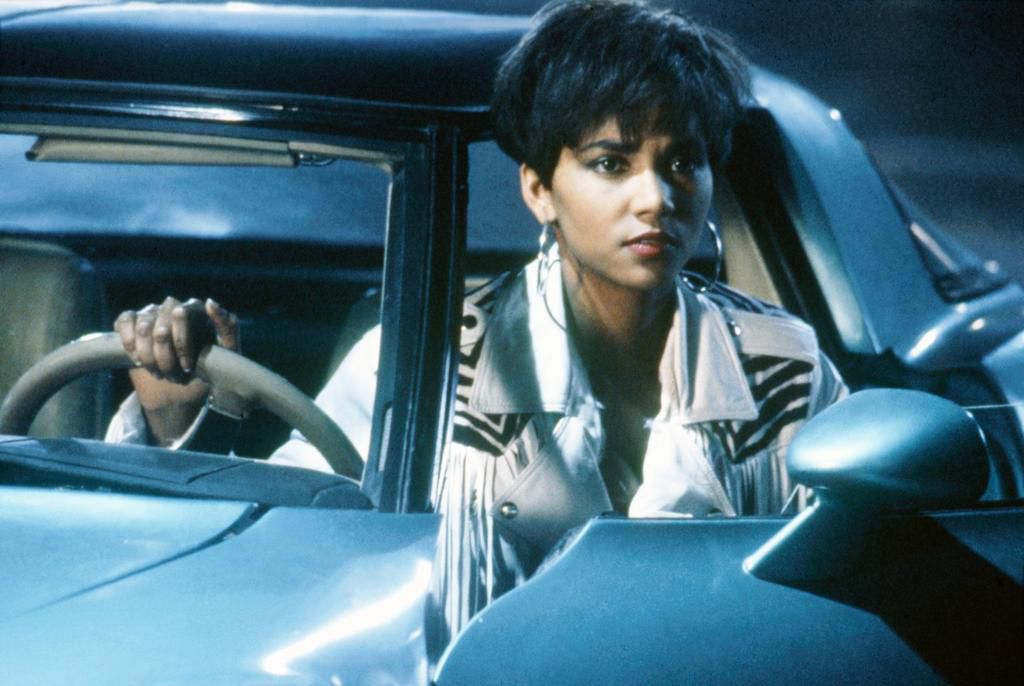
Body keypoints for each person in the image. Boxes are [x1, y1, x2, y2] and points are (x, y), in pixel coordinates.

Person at [107, 0, 846, 652]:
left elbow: (845, 580)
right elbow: (274, 550)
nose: (656, 198)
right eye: (611, 163)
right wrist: (179, 423)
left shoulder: (782, 365)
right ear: (539, 189)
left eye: (682, 161)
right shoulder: (427, 363)